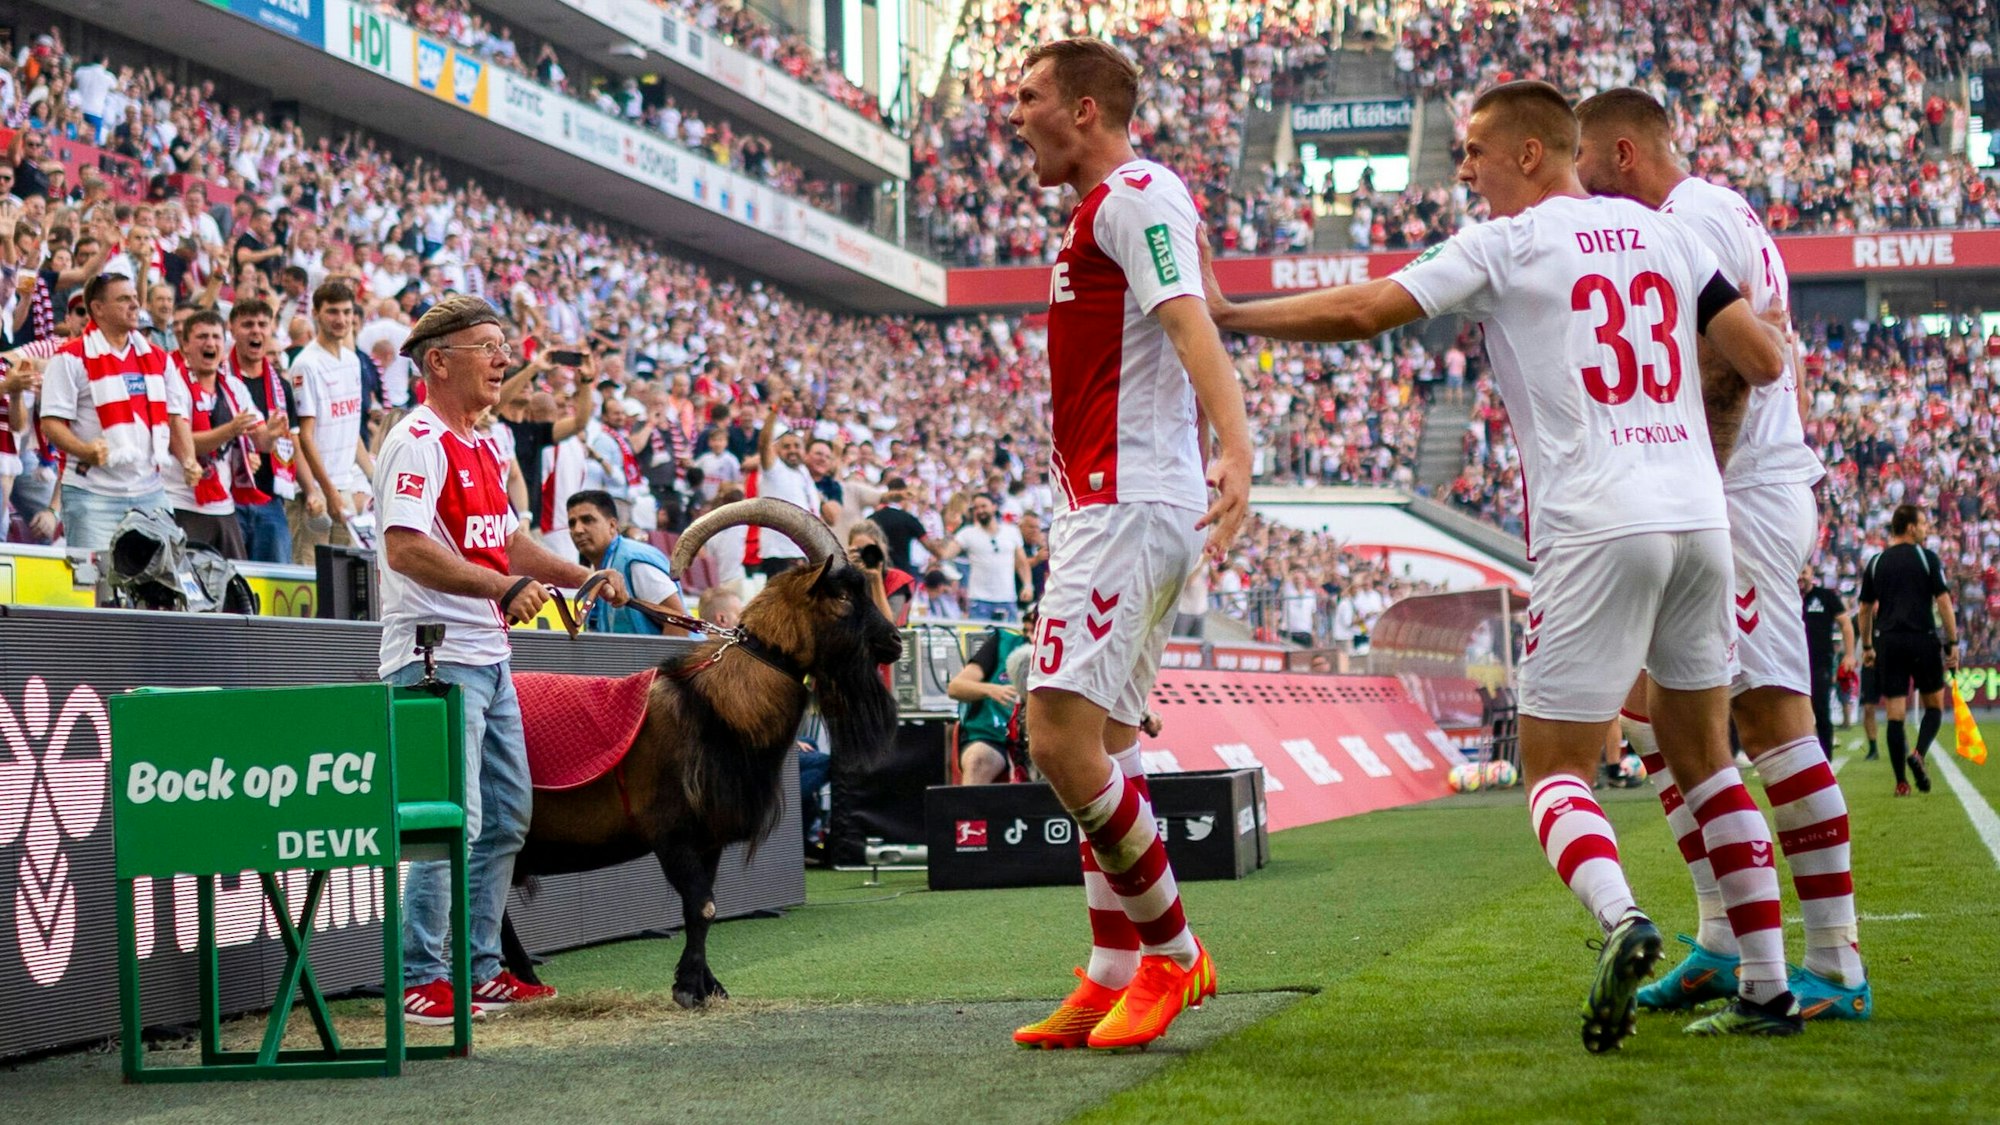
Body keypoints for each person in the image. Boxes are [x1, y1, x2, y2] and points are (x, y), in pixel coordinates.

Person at [1206, 81, 1799, 1044]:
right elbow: (1759, 358)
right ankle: (1769, 989)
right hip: (1701, 516)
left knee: (1555, 766)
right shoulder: (1670, 234)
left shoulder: (1509, 243)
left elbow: (1364, 310)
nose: (1465, 167)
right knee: (1707, 760)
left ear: (1531, 153)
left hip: (1596, 522)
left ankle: (1622, 917)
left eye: (1476, 149)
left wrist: (1232, 316)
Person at [1574, 88, 1870, 1020]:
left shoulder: (1685, 221)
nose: (1579, 179)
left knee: (1773, 721)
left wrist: (1700, 482)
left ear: (1624, 152)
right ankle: (1719, 935)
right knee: (1654, 711)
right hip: (1749, 489)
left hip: (1735, 496)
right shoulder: (1720, 210)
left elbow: (1736, 364)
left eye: (1583, 158)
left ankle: (1835, 964)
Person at [1006, 37, 1249, 1053]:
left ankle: (1173, 951)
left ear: (1085, 110)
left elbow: (1192, 323)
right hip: (1113, 504)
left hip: (1126, 503)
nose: (1015, 115)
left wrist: (1237, 446)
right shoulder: (1110, 206)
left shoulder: (1133, 196)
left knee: (1056, 737)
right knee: (1104, 743)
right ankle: (1111, 970)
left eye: (1030, 96)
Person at [375, 295, 629, 1026]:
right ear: (437, 361)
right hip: (433, 658)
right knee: (446, 820)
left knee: (507, 818)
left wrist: (580, 575)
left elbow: (508, 543)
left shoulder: (486, 443)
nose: (502, 360)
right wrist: (502, 587)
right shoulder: (416, 439)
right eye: (486, 346)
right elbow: (406, 548)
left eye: (502, 345)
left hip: (488, 657)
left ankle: (479, 968)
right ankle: (421, 975)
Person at [37, 273, 196, 551]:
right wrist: (85, 451)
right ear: (98, 308)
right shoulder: (69, 357)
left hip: (151, 493)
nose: (135, 305)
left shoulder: (159, 358)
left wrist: (188, 459)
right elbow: (51, 423)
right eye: (123, 299)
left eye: (135, 298)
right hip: (92, 496)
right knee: (96, 578)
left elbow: (175, 417)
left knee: (160, 576)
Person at [1857, 504, 1959, 796]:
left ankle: (1901, 783)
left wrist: (1868, 646)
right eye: (1923, 524)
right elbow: (1943, 602)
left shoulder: (1877, 562)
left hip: (1889, 642)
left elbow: (1864, 610)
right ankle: (1918, 754)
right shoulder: (1927, 558)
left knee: (1895, 715)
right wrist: (1952, 643)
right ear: (1911, 527)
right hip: (1922, 638)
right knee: (1934, 707)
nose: (1926, 529)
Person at [163, 310, 256, 558]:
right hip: (181, 503)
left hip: (223, 506)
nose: (210, 343)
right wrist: (230, 430)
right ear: (185, 345)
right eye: (202, 336)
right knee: (185, 578)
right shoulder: (175, 385)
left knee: (237, 578)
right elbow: (180, 441)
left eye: (216, 337)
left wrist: (273, 435)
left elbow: (260, 438)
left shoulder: (234, 387)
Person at [290, 281, 370, 564]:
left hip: (344, 485)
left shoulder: (352, 361)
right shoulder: (306, 365)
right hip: (314, 491)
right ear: (316, 314)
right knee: (312, 574)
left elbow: (351, 427)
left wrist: (374, 477)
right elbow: (304, 436)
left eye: (347, 312)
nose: (341, 319)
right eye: (333, 312)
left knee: (347, 576)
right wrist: (326, 491)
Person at [223, 298, 300, 564]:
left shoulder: (282, 388)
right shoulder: (219, 380)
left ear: (271, 330)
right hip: (228, 500)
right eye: (247, 324)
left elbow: (295, 441)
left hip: (270, 498)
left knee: (276, 581)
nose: (256, 330)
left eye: (262, 324)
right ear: (232, 329)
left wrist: (311, 490)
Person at [564, 488, 690, 635]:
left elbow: (679, 624)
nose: (578, 530)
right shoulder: (596, 570)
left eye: (587, 520)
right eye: (572, 523)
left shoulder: (634, 562)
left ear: (612, 525)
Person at [948, 616, 1032, 783]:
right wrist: (991, 689)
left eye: (1036, 630)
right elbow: (955, 687)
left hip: (1043, 738)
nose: (1031, 636)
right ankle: (969, 801)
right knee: (977, 760)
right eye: (1027, 630)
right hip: (994, 736)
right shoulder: (1002, 643)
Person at [753, 394, 821, 578]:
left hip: (805, 552)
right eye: (787, 446)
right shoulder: (773, 468)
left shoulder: (803, 473)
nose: (792, 450)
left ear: (804, 449)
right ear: (777, 450)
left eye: (796, 446)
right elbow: (764, 443)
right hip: (780, 554)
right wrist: (775, 410)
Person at [1796, 567, 1858, 760]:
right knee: (1794, 716)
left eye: (1804, 573)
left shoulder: (1824, 596)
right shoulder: (1786, 597)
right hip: (1792, 665)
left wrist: (1849, 655)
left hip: (1819, 664)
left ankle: (1826, 760)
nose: (1800, 577)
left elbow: (1845, 624)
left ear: (1812, 576)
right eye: (1798, 572)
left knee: (1821, 710)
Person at [954, 492, 1031, 622]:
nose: (980, 511)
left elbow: (1022, 563)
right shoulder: (967, 533)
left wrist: (1027, 585)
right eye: (976, 508)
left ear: (994, 507)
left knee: (1009, 635)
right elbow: (946, 554)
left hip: (1007, 599)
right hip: (979, 601)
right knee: (979, 636)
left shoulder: (1011, 531)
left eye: (983, 506)